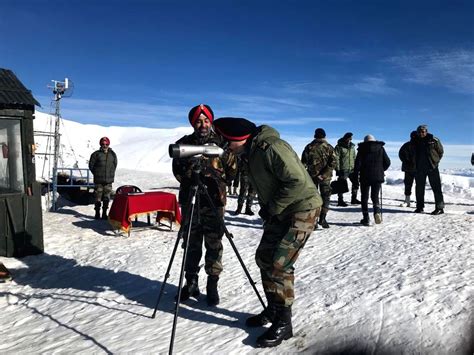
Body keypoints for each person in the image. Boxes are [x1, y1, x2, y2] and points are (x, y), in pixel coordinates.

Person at [213, 117, 322, 348]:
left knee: (279, 264)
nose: (225, 146)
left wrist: (272, 208)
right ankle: (273, 309)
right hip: (281, 210)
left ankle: (284, 323)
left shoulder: (272, 148)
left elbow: (296, 181)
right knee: (264, 257)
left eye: (225, 141)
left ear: (237, 139)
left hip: (303, 208)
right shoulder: (250, 152)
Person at [172, 104, 237, 306]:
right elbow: (178, 173)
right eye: (199, 121)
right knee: (191, 243)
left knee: (214, 244)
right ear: (193, 123)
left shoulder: (222, 144)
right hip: (191, 200)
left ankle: (212, 284)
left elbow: (234, 172)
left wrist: (215, 170)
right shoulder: (184, 144)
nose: (203, 124)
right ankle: (191, 282)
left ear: (211, 121)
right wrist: (192, 171)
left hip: (214, 202)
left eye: (206, 120)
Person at [301, 128, 337, 228]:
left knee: (312, 199)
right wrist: (324, 174)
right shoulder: (329, 147)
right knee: (326, 197)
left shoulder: (309, 147)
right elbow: (333, 163)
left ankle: (314, 221)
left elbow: (302, 163)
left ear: (315, 136)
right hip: (325, 178)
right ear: (324, 136)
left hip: (311, 177)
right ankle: (323, 218)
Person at [354, 134, 391, 226]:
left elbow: (357, 164)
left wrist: (356, 173)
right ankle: (377, 212)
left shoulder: (362, 149)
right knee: (375, 196)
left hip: (365, 176)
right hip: (377, 176)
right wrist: (381, 170)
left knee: (364, 197)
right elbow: (387, 162)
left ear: (365, 141)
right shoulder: (380, 148)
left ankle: (366, 218)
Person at [413, 125, 444, 215]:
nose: (421, 133)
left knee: (436, 188)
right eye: (419, 132)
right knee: (419, 188)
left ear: (426, 132)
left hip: (432, 167)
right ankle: (419, 207)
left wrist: (435, 161)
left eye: (423, 131)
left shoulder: (434, 140)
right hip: (419, 168)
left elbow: (440, 151)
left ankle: (439, 208)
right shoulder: (415, 141)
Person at [89, 137, 118, 219]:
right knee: (97, 197)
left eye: (106, 144)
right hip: (98, 181)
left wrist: (111, 173)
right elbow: (91, 165)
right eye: (103, 144)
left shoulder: (112, 154)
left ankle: (104, 213)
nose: (104, 145)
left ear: (108, 144)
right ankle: (97, 213)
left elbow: (115, 164)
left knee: (107, 198)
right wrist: (96, 173)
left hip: (108, 181)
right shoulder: (96, 154)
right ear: (100, 144)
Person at [334, 132, 360, 206]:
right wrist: (337, 169)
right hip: (343, 169)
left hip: (352, 169)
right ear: (345, 138)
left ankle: (354, 199)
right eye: (349, 138)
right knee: (341, 185)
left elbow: (354, 158)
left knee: (356, 183)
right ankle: (340, 200)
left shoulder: (352, 147)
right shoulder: (339, 147)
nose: (350, 140)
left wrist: (356, 168)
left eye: (351, 138)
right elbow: (336, 158)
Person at [398, 131, 417, 207]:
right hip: (409, 169)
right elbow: (401, 154)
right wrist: (407, 161)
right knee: (408, 185)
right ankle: (407, 201)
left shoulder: (420, 145)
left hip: (415, 169)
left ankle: (410, 201)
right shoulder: (407, 145)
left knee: (415, 186)